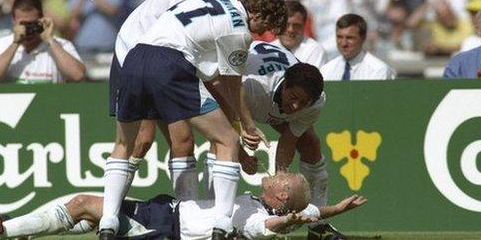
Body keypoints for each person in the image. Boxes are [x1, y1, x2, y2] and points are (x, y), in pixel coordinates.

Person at [101, 0, 287, 239]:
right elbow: (232, 84)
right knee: (227, 141)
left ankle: (108, 222)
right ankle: (222, 224)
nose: (261, 33)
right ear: (260, 15)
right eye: (266, 27)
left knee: (123, 144)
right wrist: (248, 125)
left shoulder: (211, 0)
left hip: (134, 58)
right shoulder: (239, 30)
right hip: (169, 64)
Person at [130, 41, 341, 239]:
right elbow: (221, 116)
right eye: (293, 98)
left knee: (311, 144)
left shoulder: (315, 102)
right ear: (284, 85)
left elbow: (289, 139)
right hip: (218, 85)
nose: (296, 107)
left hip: (264, 104)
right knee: (210, 143)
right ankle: (208, 216)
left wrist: (279, 180)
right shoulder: (253, 86)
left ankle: (317, 227)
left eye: (303, 103)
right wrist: (240, 153)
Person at [0, 172, 367, 239]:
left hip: (165, 227)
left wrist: (285, 222)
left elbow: (263, 230)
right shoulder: (263, 202)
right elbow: (310, 213)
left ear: (280, 197)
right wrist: (335, 210)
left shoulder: (257, 215)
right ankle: (13, 230)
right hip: (165, 210)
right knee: (84, 209)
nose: (279, 173)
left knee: (86, 204)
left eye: (285, 179)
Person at [0, 0, 86, 84]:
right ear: (13, 21)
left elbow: (78, 76)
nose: (28, 29)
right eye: (23, 24)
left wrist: (50, 40)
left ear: (41, 20)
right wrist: (15, 44)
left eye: (32, 23)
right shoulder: (1, 45)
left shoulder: (60, 45)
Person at [321, 14, 396, 80]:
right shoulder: (327, 70)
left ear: (363, 38)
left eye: (350, 38)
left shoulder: (378, 70)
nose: (344, 43)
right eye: (339, 37)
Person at [272, 1, 327, 69]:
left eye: (296, 25)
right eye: (286, 24)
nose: (291, 30)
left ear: (304, 26)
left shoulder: (314, 50)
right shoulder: (266, 50)